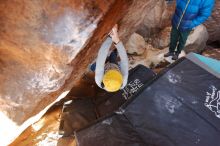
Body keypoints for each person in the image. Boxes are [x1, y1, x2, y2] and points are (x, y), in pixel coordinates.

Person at [90, 24, 129, 92]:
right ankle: (112, 55)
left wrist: (110, 37)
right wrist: (116, 40)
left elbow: (101, 56)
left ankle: (107, 60)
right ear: (120, 75)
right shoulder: (123, 79)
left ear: (104, 76)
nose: (111, 68)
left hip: (102, 68)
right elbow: (124, 60)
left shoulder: (99, 80)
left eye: (109, 70)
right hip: (113, 64)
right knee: (113, 55)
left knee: (92, 67)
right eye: (115, 70)